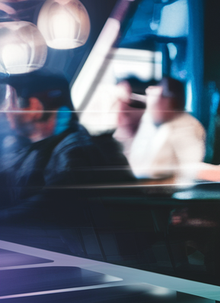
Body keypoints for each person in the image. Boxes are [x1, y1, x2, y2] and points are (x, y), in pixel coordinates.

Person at [0, 72, 133, 225]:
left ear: (35, 108)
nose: (5, 111)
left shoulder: (76, 152)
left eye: (10, 101)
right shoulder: (30, 147)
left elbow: (49, 207)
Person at [128, 77, 220, 182]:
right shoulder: (150, 121)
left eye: (162, 95)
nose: (152, 99)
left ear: (173, 100)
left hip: (163, 195)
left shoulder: (186, 125)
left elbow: (189, 165)